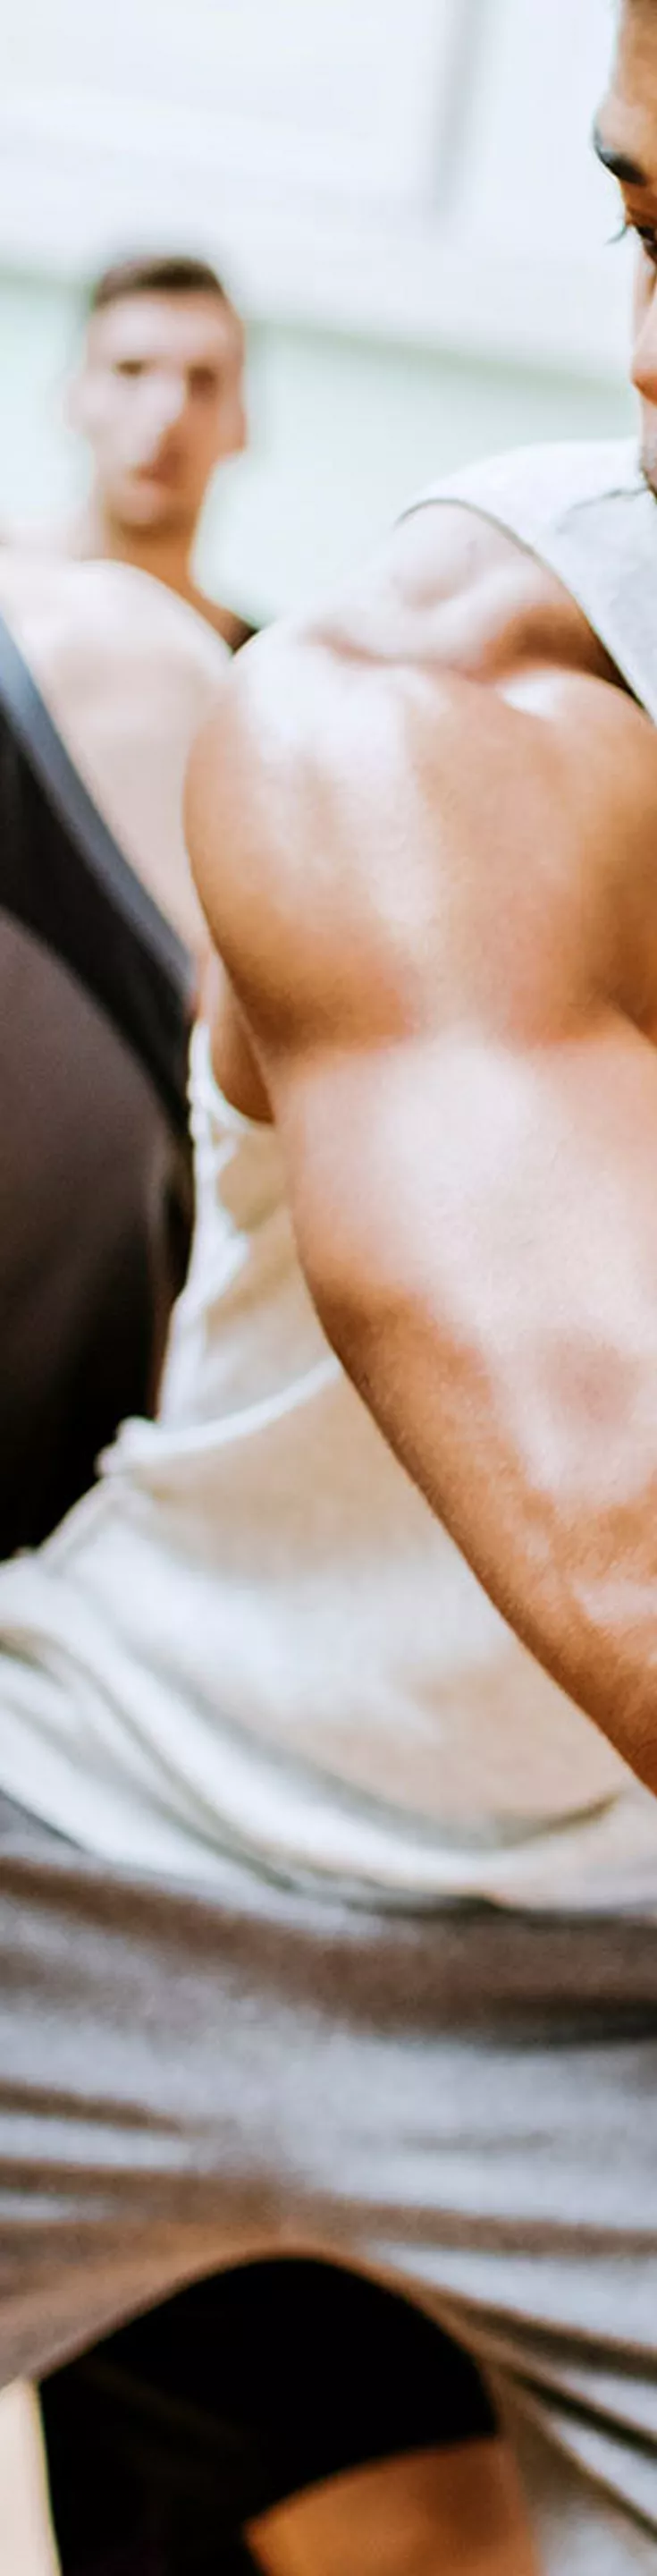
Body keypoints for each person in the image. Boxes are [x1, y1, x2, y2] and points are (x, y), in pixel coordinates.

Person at [4, 4, 657, 2571]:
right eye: (637, 222)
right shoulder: (419, 720)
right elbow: (613, 1517)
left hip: (599, 1992)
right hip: (121, 1825)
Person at [3, 252, 256, 648]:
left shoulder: (255, 676)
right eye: (131, 370)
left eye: (203, 382)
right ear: (73, 399)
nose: (169, 411)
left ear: (243, 425)